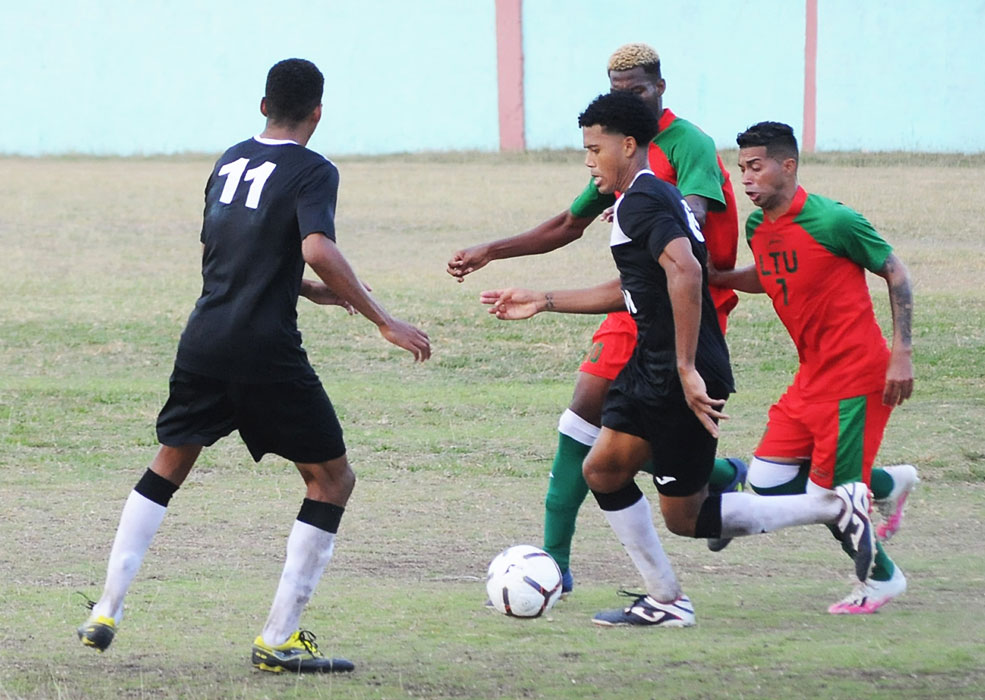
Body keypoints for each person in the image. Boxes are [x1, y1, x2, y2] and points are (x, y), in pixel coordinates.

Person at [77, 58, 431, 672]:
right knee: (331, 481)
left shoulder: (229, 159)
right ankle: (278, 638)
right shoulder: (314, 169)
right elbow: (316, 247)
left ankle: (107, 607)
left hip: (204, 339)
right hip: (265, 352)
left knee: (168, 464)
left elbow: (234, 252)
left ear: (262, 105)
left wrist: (308, 288)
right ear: (318, 113)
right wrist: (382, 319)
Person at [482, 91, 875, 628]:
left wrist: (686, 368)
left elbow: (687, 272)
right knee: (604, 469)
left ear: (627, 145)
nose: (588, 161)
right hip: (656, 364)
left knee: (685, 517)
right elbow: (639, 287)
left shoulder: (643, 201)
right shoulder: (653, 195)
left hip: (673, 368)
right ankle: (665, 598)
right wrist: (545, 300)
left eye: (595, 149)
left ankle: (830, 507)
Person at [448, 43, 746, 588]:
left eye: (636, 89)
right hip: (633, 297)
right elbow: (568, 222)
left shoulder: (683, 146)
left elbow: (690, 227)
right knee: (594, 435)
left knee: (597, 429)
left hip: (683, 309)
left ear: (660, 87)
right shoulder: (614, 157)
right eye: (617, 90)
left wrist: (642, 204)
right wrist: (493, 251)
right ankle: (567, 563)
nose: (626, 98)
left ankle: (561, 565)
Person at [708, 121, 916, 614]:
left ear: (788, 165)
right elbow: (771, 272)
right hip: (810, 379)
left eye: (756, 167)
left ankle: (884, 579)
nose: (747, 178)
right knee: (766, 483)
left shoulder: (833, 220)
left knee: (830, 500)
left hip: (858, 378)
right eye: (742, 169)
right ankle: (886, 483)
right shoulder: (758, 227)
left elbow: (896, 271)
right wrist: (713, 276)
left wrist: (902, 353)